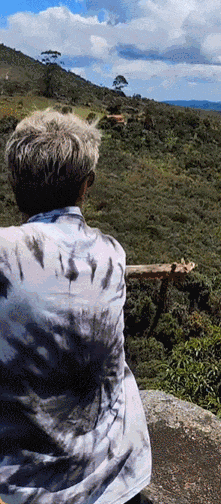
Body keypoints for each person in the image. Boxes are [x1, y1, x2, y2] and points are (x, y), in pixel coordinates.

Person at [0, 111, 152, 504]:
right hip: (117, 475)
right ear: (86, 186)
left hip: (24, 486)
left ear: (14, 183)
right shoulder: (112, 253)